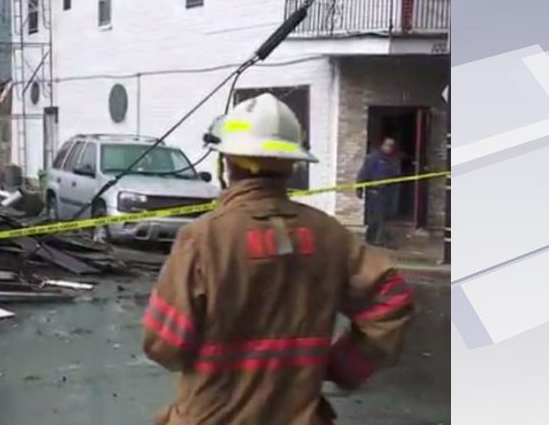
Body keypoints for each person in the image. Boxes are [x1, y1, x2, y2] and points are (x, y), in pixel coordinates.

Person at [142, 93, 414, 425]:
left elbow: (164, 346)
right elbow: (392, 300)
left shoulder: (201, 240)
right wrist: (340, 366)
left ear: (227, 163)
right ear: (292, 164)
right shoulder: (330, 234)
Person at [356, 137, 401, 247]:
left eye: (391, 146)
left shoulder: (393, 161)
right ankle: (372, 239)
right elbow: (363, 173)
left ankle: (378, 240)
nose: (389, 148)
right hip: (373, 192)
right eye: (387, 145)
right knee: (374, 218)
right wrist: (359, 189)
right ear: (382, 145)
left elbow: (396, 178)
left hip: (386, 193)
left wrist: (394, 197)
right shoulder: (373, 158)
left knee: (382, 217)